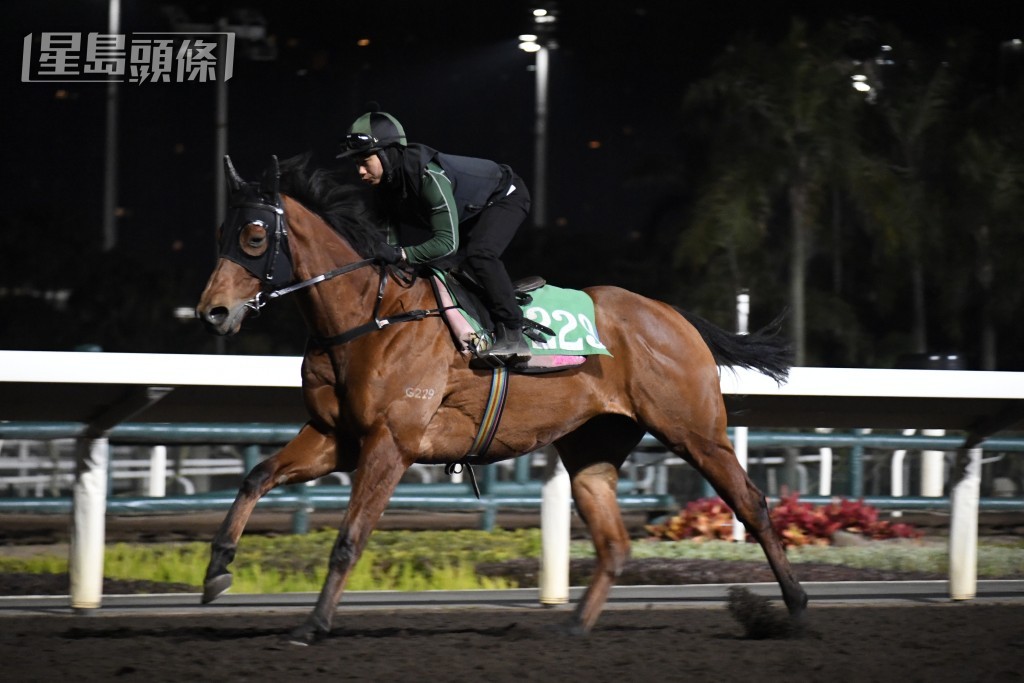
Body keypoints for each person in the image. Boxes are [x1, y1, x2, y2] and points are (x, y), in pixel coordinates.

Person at [338, 109, 532, 361]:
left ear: (388, 154)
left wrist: (401, 254)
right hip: (469, 213)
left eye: (365, 161)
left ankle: (514, 334)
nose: (360, 172)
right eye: (356, 164)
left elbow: (446, 243)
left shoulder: (429, 175)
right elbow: (388, 247)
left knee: (479, 255)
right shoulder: (383, 190)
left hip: (504, 197)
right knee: (438, 268)